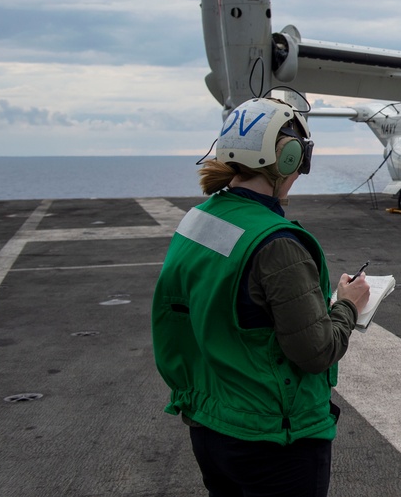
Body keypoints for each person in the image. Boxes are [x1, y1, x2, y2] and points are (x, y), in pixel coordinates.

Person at [152, 97, 370, 497]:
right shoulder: (277, 245)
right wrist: (347, 305)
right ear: (287, 158)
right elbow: (316, 351)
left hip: (211, 426)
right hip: (272, 442)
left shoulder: (199, 220)